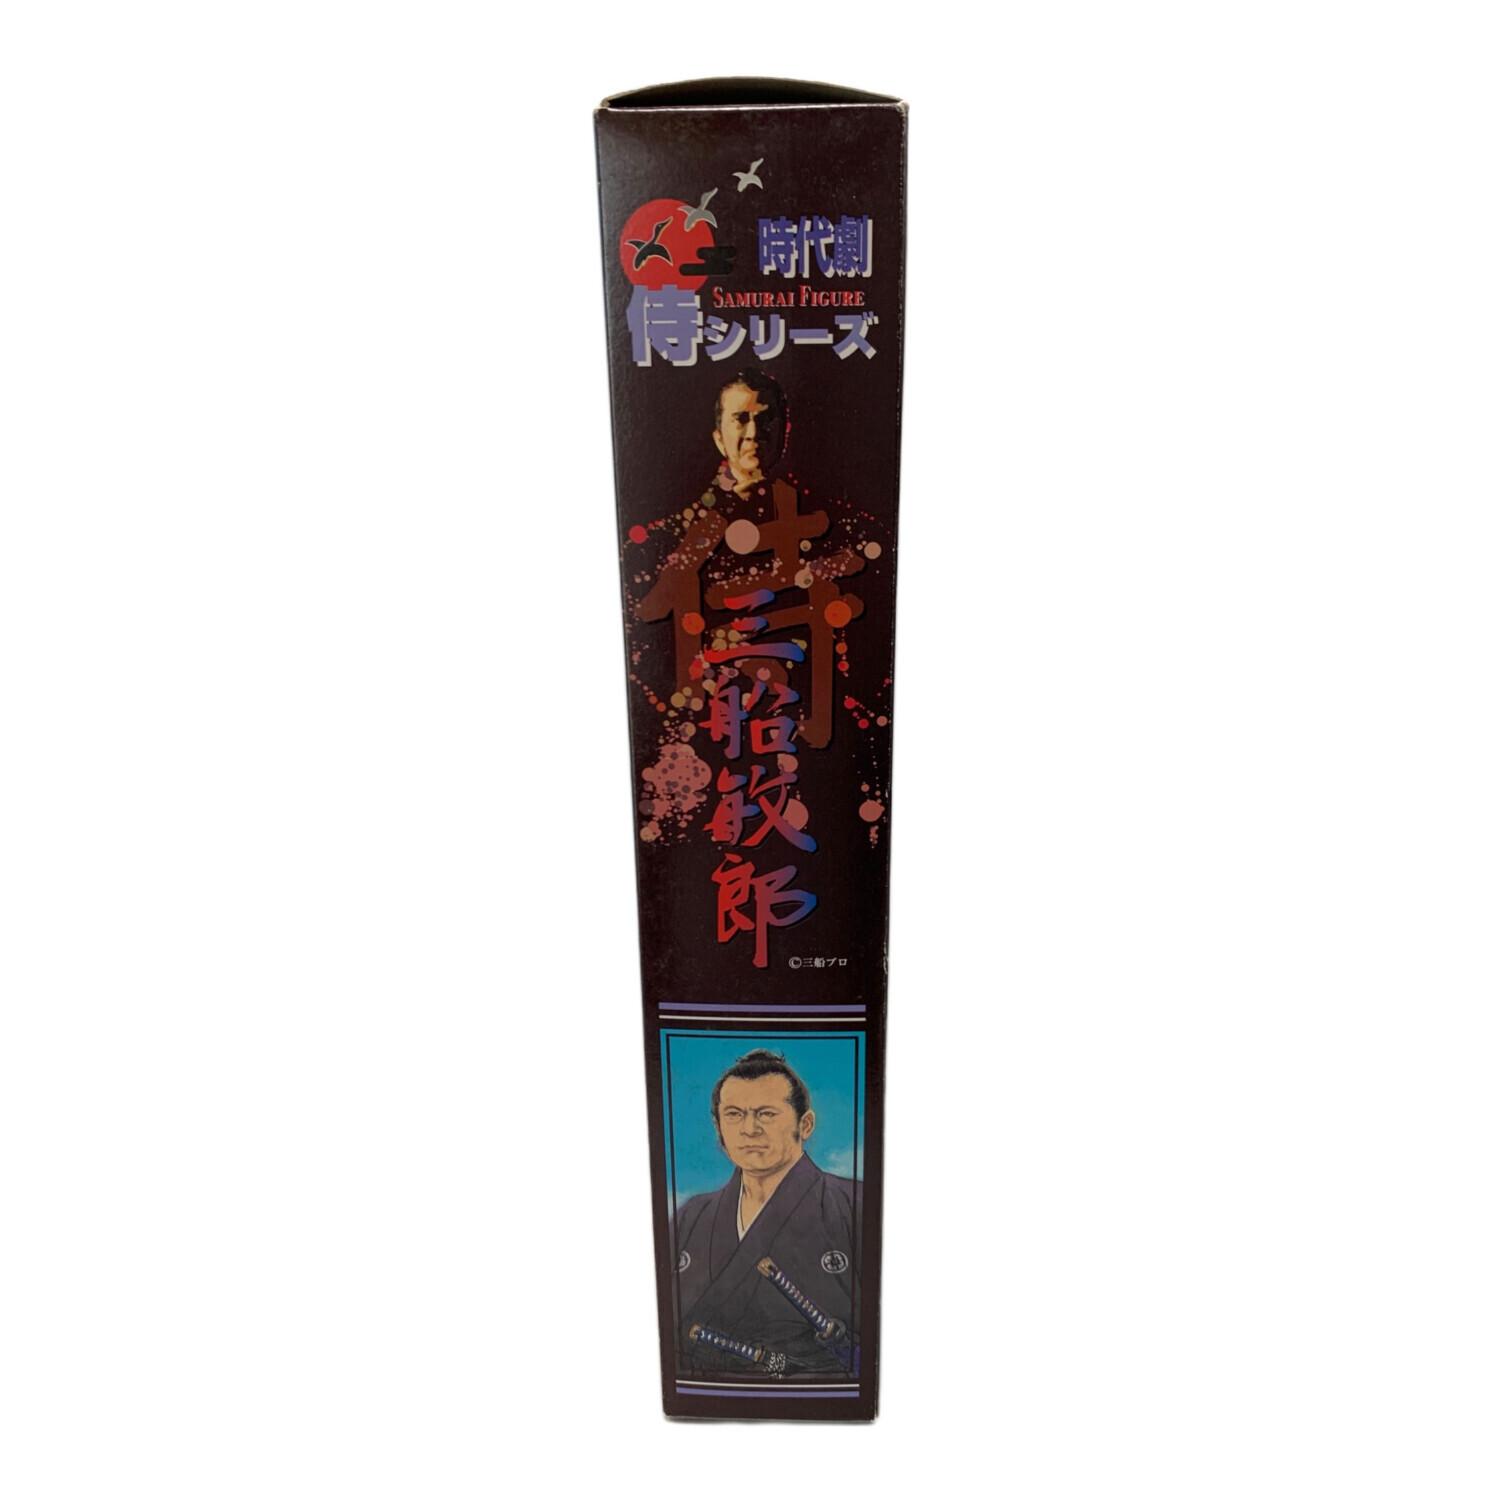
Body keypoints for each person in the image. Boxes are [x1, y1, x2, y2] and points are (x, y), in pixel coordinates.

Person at [671, 1050, 859, 1375]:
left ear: (806, 1124)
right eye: (734, 1114)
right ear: (718, 1126)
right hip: (705, 1388)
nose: (749, 1129)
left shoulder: (853, 1204)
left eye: (766, 1114)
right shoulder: (691, 1217)